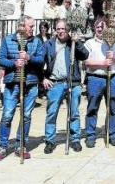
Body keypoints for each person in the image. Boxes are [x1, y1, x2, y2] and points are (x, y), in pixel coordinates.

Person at [0, 17, 45, 161]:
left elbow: (41, 59)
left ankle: (20, 145)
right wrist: (14, 63)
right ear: (21, 26)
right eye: (30, 26)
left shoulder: (36, 41)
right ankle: (2, 147)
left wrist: (29, 57)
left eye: (33, 26)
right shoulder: (8, 40)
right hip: (12, 83)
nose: (32, 29)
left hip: (30, 83)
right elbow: (1, 59)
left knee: (26, 115)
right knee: (8, 115)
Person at [42, 19, 89, 153]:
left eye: (63, 29)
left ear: (67, 30)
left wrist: (77, 42)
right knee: (51, 113)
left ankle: (75, 139)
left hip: (72, 83)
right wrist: (43, 77)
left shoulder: (72, 43)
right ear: (55, 30)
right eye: (58, 29)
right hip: (55, 83)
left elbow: (85, 55)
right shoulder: (49, 44)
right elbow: (39, 60)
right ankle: (50, 141)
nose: (61, 31)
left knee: (74, 112)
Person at [84, 19, 115, 147]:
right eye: (98, 27)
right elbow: (86, 62)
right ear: (94, 28)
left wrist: (114, 57)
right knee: (92, 107)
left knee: (112, 106)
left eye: (102, 27)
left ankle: (112, 134)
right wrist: (102, 63)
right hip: (95, 78)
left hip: (112, 77)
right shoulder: (89, 43)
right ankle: (90, 135)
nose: (100, 29)